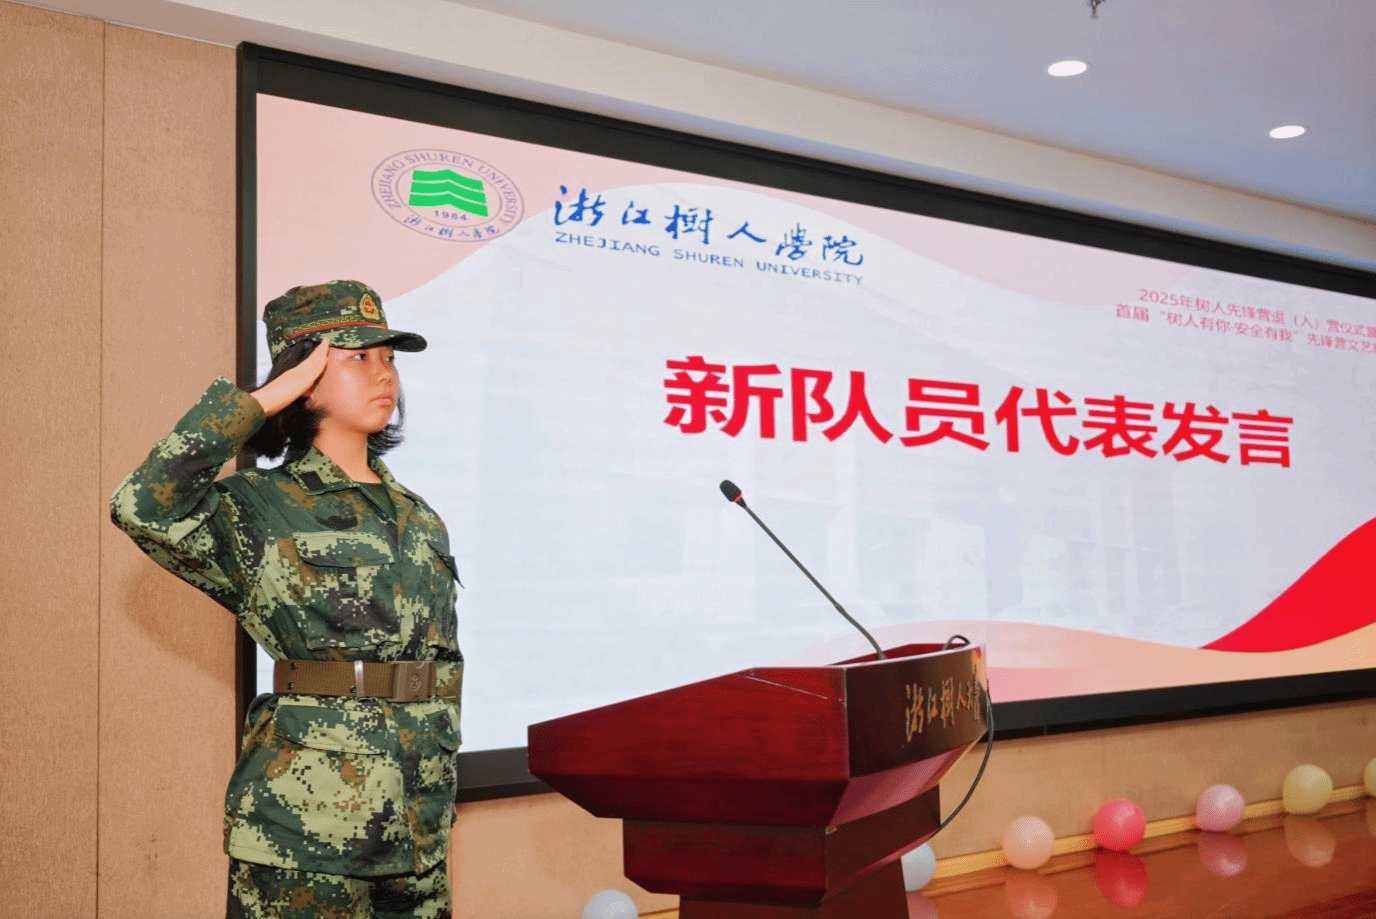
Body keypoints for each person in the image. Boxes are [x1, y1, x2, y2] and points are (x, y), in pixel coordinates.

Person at [111, 281, 463, 919]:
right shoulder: (256, 507)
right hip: (309, 826)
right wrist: (261, 401)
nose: (383, 373)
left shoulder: (419, 517)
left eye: (389, 358)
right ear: (303, 376)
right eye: (357, 357)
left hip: (418, 822)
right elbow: (142, 506)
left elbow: (440, 668)